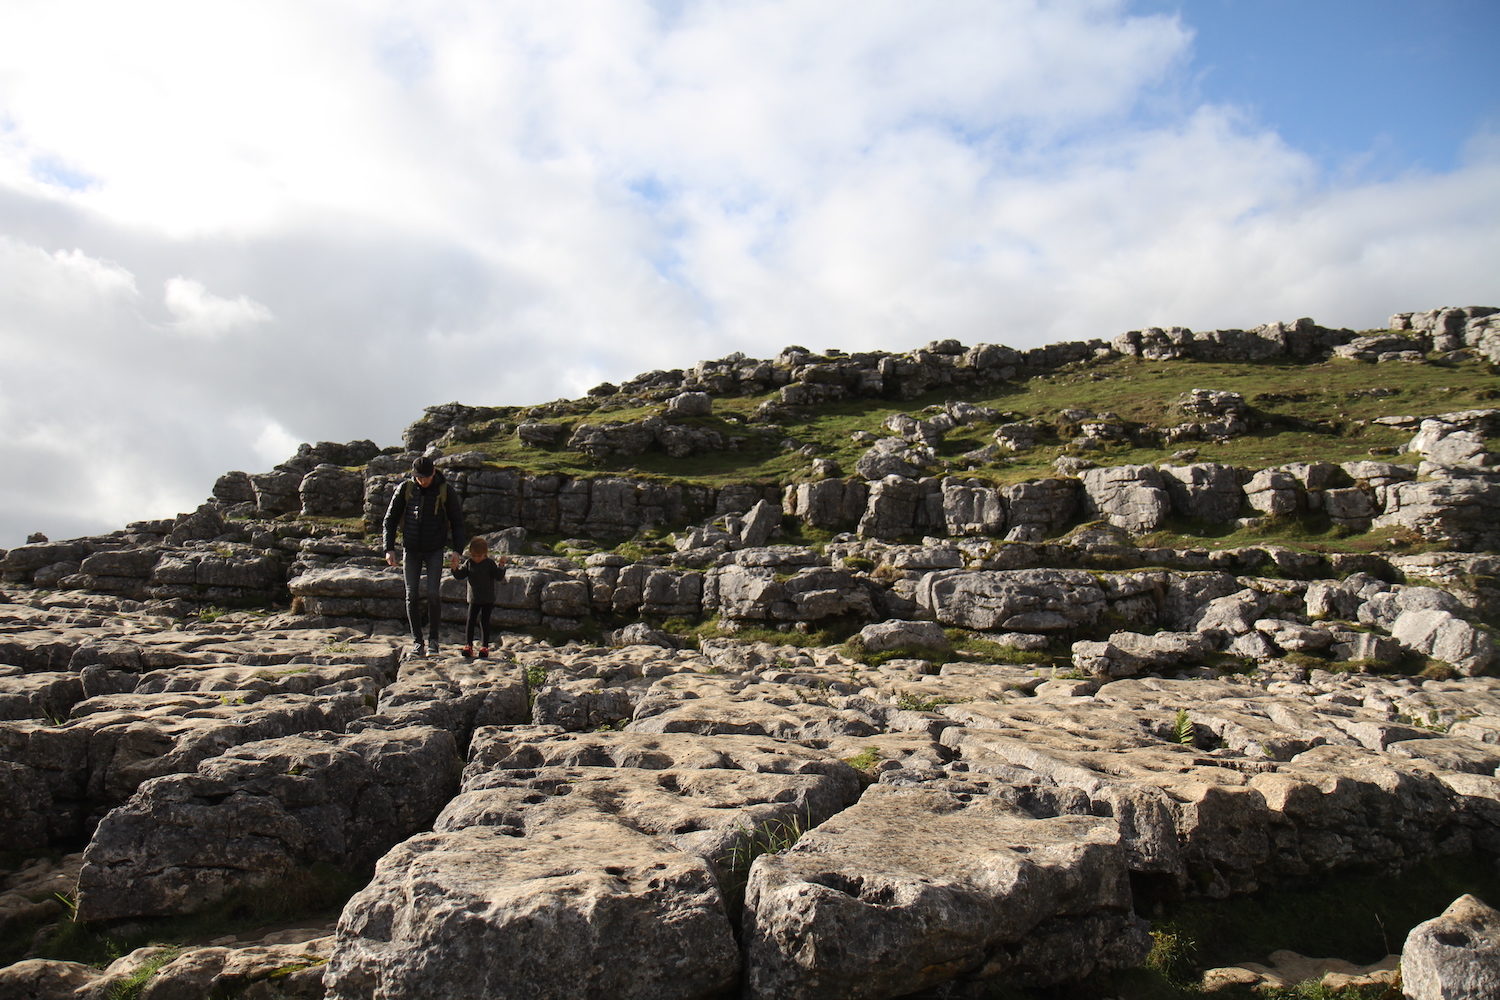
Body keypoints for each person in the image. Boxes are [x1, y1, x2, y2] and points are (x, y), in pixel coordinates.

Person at [383, 456, 465, 657]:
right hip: (410, 549)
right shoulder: (405, 489)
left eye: (426, 477)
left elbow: (458, 522)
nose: (422, 481)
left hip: (435, 549)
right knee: (411, 596)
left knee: (433, 594)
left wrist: (457, 551)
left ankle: (434, 641)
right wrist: (389, 548)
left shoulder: (446, 491)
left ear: (433, 472)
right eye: (419, 478)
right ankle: (417, 642)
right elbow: (390, 520)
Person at [451, 535, 507, 658]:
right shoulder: (469, 563)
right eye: (474, 556)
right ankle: (468, 645)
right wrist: (455, 568)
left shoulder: (489, 563)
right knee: (470, 621)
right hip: (474, 598)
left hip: (488, 599)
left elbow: (498, 576)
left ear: (485, 554)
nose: (476, 559)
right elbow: (460, 575)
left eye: (479, 556)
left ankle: (484, 647)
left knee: (484, 621)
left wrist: (501, 565)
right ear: (470, 554)